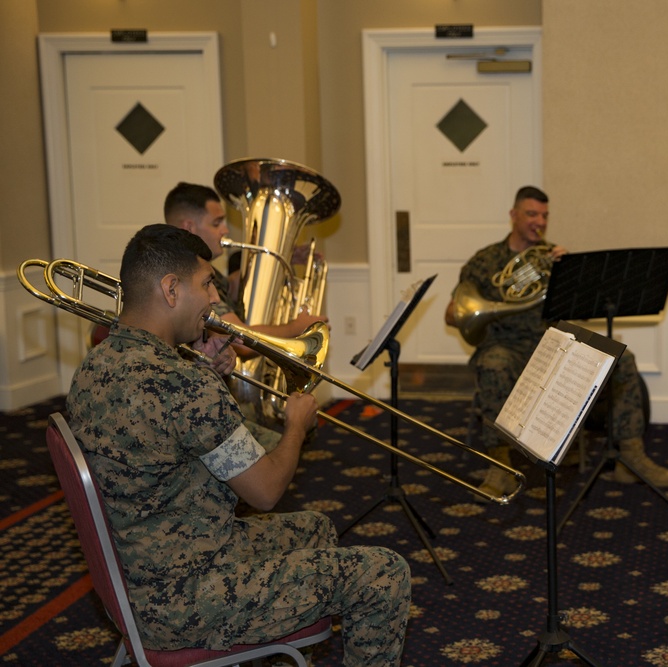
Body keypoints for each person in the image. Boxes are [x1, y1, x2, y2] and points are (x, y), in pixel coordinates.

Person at [66, 224, 410, 665]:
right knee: (384, 574)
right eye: (206, 283)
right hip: (189, 599)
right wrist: (296, 428)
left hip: (142, 573)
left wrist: (210, 377)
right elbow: (266, 491)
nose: (213, 298)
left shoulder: (94, 367)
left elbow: (172, 434)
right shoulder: (182, 383)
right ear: (171, 289)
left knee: (316, 529)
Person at [444, 186, 668, 497]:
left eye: (544, 216)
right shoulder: (485, 261)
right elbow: (453, 314)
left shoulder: (552, 256)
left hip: (553, 343)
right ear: (513, 216)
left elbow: (577, 311)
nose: (539, 222)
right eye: (531, 214)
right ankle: (499, 464)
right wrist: (472, 308)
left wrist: (570, 275)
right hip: (507, 346)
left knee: (623, 358)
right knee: (493, 365)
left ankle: (631, 458)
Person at [163, 182, 328, 343]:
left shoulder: (202, 271)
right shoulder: (188, 276)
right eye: (216, 223)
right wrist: (296, 328)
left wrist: (279, 261)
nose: (225, 230)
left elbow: (232, 288)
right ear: (189, 228)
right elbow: (238, 338)